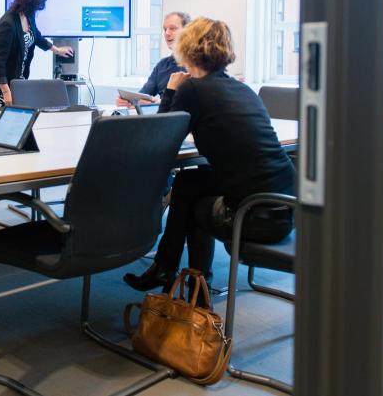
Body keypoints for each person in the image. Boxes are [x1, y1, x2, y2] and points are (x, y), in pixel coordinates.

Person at [123, 17, 295, 294]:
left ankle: (190, 284)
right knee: (189, 182)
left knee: (193, 204)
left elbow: (160, 138)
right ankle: (173, 273)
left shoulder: (193, 88)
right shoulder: (242, 88)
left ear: (187, 48)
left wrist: (170, 89)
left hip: (252, 216)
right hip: (285, 208)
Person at [0, 0, 74, 109]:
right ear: (29, 3)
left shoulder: (28, 15)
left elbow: (36, 36)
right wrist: (6, 92)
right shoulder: (7, 24)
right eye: (38, 4)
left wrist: (56, 50)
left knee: (18, 114)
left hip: (14, 76)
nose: (40, 8)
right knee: (6, 115)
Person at [116, 11, 190, 107]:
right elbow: (143, 96)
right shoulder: (162, 65)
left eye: (173, 28)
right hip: (163, 119)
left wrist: (160, 103)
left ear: (188, 31)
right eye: (165, 29)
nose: (167, 33)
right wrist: (128, 101)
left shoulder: (199, 66)